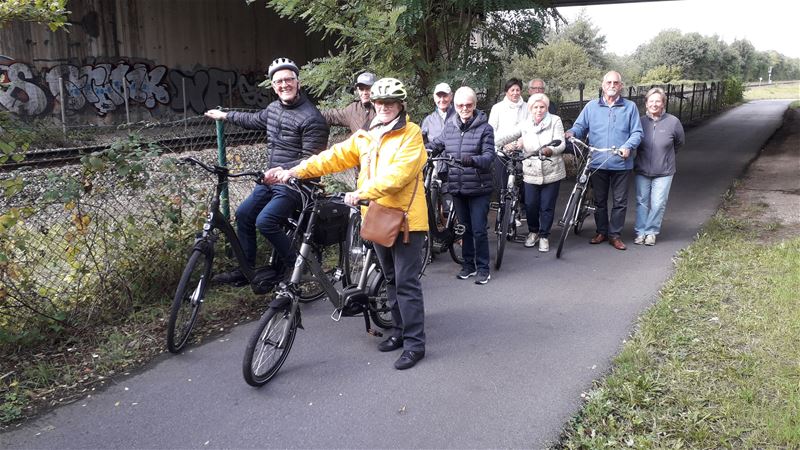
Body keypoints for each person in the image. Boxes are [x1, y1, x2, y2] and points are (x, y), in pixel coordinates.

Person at [269, 78, 429, 370]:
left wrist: (361, 193)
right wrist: (293, 170)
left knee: (406, 283)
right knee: (391, 279)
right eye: (379, 103)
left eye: (390, 103)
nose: (384, 108)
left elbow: (399, 175)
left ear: (400, 105)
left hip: (406, 220)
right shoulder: (366, 136)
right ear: (373, 104)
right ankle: (398, 331)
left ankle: (415, 343)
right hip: (377, 218)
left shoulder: (411, 134)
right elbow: (333, 157)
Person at [204, 57, 330, 285]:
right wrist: (225, 115)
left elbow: (313, 161)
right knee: (243, 214)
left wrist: (284, 171)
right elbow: (253, 119)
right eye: (279, 81)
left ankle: (297, 268)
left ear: (298, 82)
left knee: (266, 221)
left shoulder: (312, 118)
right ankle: (246, 269)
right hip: (272, 179)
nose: (284, 85)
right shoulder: (273, 109)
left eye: (289, 80)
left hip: (298, 184)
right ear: (273, 86)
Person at [565, 71, 642, 250]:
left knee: (620, 201)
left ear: (620, 86)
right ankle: (601, 231)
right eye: (609, 82)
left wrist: (628, 146)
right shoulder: (592, 107)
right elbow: (580, 126)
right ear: (603, 85)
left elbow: (637, 132)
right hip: (597, 161)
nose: (612, 86)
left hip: (621, 163)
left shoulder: (629, 107)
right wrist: (571, 132)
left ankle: (615, 235)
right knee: (599, 201)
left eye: (616, 83)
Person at [427, 86, 495, 285]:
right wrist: (420, 149)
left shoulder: (485, 128)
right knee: (464, 228)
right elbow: (436, 144)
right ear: (455, 106)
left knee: (479, 229)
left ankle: (483, 268)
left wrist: (472, 160)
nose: (464, 108)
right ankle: (468, 265)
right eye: (460, 105)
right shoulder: (450, 126)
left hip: (478, 187)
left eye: (468, 105)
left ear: (474, 105)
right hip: (457, 185)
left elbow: (489, 156)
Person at [634, 87, 685, 246]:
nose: (654, 104)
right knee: (642, 201)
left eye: (658, 101)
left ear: (663, 103)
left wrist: (666, 157)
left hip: (664, 171)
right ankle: (640, 232)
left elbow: (679, 142)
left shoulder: (673, 122)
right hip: (642, 169)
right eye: (651, 101)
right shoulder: (640, 121)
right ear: (646, 103)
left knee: (657, 203)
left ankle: (651, 232)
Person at [516, 93, 566, 252]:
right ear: (530, 109)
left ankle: (544, 235)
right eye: (535, 107)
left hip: (551, 170)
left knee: (547, 206)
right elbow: (515, 138)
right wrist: (507, 144)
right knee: (530, 205)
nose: (539, 110)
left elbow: (561, 143)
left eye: (542, 107)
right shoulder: (525, 124)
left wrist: (550, 150)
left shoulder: (555, 120)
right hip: (531, 170)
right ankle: (533, 232)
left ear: (546, 107)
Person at [489, 78, 529, 198]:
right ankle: (503, 209)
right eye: (512, 90)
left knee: (523, 184)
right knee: (503, 185)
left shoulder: (528, 107)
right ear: (506, 91)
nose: (515, 93)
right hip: (502, 152)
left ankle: (520, 209)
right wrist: (504, 144)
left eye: (518, 90)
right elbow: (491, 130)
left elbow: (530, 128)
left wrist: (522, 141)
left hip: (522, 151)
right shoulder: (497, 108)